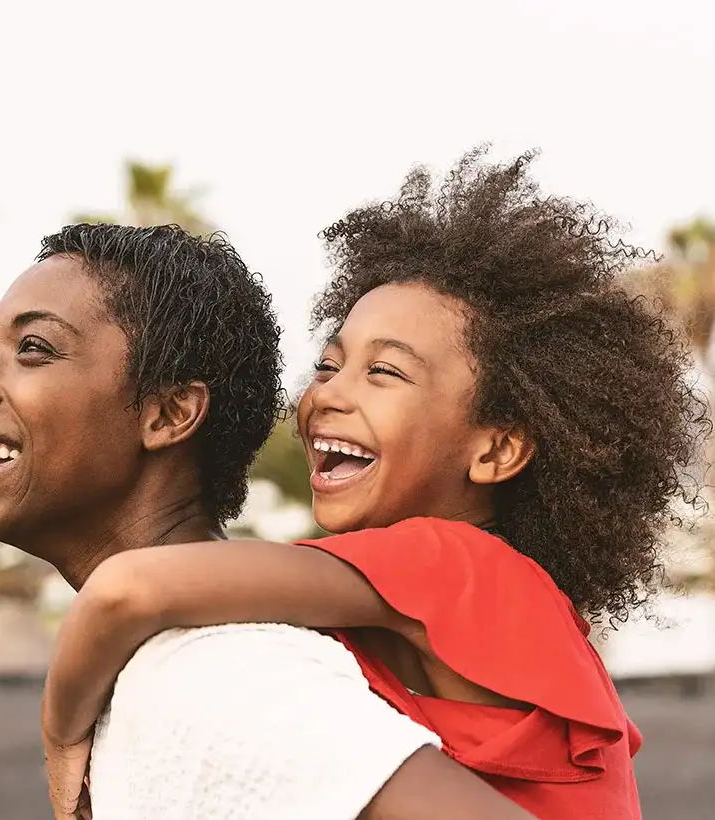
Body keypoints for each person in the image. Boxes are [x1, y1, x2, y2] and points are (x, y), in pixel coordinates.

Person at [41, 151, 709, 819]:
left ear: (498, 448)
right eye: (329, 365)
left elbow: (126, 591)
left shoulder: (448, 562)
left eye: (384, 373)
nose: (328, 393)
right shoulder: (479, 587)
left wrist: (61, 737)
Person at [0, 223, 535, 820]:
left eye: (34, 349)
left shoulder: (234, 680)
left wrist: (59, 729)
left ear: (169, 413)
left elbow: (125, 592)